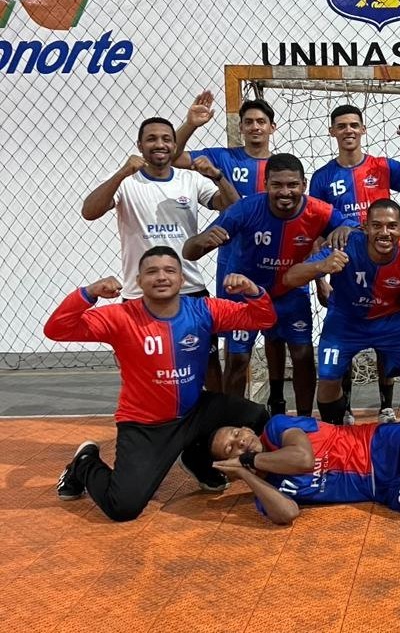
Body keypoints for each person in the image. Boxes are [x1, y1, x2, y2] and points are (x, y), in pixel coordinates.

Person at [46, 246, 276, 521]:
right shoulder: (121, 317)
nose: (161, 277)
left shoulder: (203, 309)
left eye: (170, 270)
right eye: (151, 272)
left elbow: (263, 318)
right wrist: (88, 294)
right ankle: (84, 463)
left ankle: (198, 460)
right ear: (138, 281)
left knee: (259, 416)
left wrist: (253, 292)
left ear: (182, 280)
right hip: (146, 425)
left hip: (195, 411)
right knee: (123, 507)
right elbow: (57, 329)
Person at [182, 154, 357, 417]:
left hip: (290, 293)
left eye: (292, 185)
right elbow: (189, 252)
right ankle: (234, 422)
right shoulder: (245, 209)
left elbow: (353, 228)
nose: (285, 192)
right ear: (266, 184)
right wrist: (203, 240)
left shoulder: (319, 210)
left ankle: (304, 420)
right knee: (238, 359)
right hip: (245, 295)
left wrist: (347, 230)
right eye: (277, 185)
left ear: (304, 185)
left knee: (302, 353)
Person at [81, 117, 240, 391]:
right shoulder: (126, 183)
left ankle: (213, 425)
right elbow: (89, 212)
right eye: (152, 139)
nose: (160, 144)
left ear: (174, 144)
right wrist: (120, 174)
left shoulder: (190, 180)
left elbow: (233, 207)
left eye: (166, 139)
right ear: (140, 146)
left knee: (207, 362)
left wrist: (217, 176)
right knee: (143, 364)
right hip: (138, 291)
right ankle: (151, 424)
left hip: (189, 287)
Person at [309, 104, 400, 424]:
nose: (348, 130)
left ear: (363, 129)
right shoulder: (323, 177)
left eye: (354, 125)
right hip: (346, 265)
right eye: (341, 126)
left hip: (384, 259)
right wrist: (320, 281)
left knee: (391, 339)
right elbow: (315, 230)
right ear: (332, 132)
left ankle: (387, 407)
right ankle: (343, 416)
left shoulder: (381, 166)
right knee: (343, 341)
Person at [173, 92, 293, 416]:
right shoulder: (223, 158)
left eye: (261, 122)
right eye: (249, 122)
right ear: (241, 127)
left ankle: (277, 407)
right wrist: (190, 124)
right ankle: (229, 418)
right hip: (237, 269)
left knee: (278, 341)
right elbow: (173, 156)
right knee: (237, 356)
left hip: (278, 269)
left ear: (273, 127)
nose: (255, 127)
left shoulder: (283, 169)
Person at [209, 414, 400, 525]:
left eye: (238, 435)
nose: (241, 444)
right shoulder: (266, 490)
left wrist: (250, 462)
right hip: (380, 489)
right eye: (231, 450)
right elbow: (288, 514)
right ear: (229, 467)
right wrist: (248, 476)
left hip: (380, 443)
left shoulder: (277, 428)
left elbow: (302, 459)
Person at [284, 199, 400, 427]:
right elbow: (290, 277)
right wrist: (321, 267)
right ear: (365, 226)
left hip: (389, 319)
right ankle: (334, 431)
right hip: (345, 320)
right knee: (329, 380)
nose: (384, 232)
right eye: (377, 225)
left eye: (392, 226)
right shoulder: (344, 245)